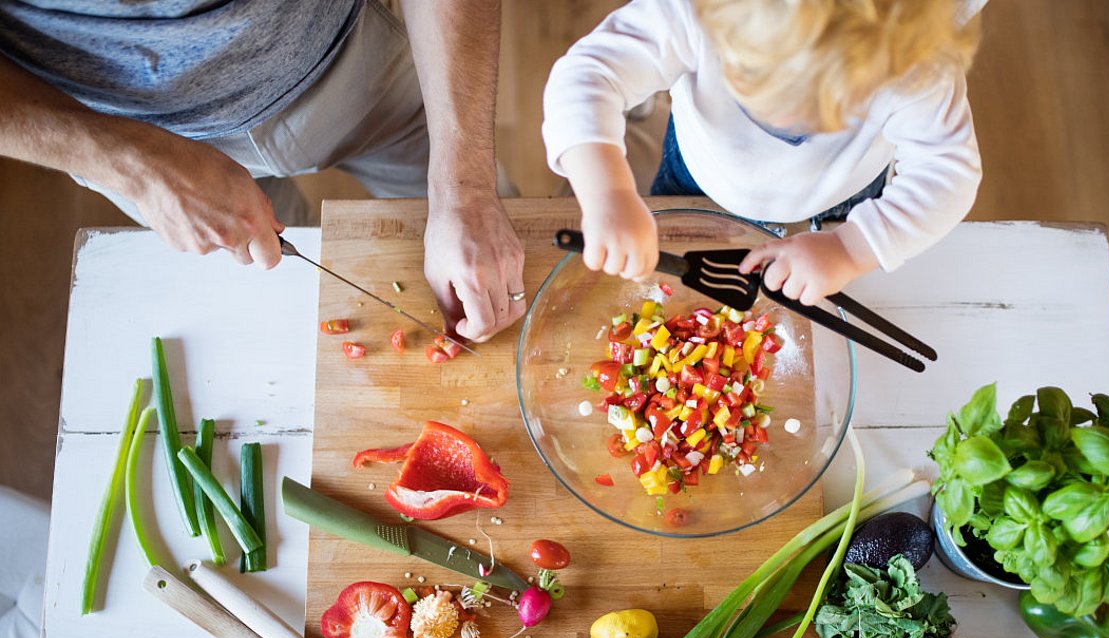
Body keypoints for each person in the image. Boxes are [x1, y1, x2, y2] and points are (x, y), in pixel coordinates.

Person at [0, 0, 524, 342]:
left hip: (348, 61)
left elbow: (468, 198)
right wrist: (136, 166)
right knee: (281, 304)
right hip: (119, 132)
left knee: (487, 255)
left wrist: (466, 190)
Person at [542, 0, 982, 306]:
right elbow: (589, 74)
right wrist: (608, 195)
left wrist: (851, 249)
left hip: (842, 200)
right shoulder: (696, 11)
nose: (790, 123)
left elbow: (946, 173)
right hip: (698, 175)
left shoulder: (916, 60)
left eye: (832, 107)